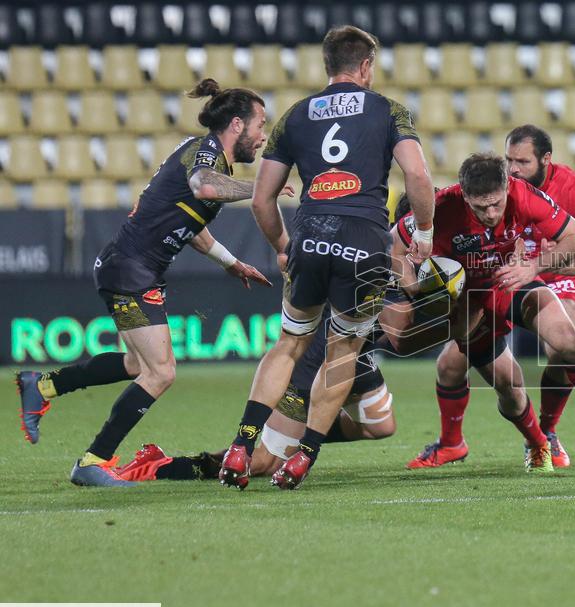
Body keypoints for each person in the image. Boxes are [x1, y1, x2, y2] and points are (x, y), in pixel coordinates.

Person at [14, 79, 278, 487]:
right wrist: (264, 187)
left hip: (134, 268)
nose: (263, 136)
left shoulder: (208, 160)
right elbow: (205, 188)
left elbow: (190, 225)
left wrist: (232, 262)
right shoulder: (205, 153)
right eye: (261, 124)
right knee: (160, 372)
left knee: (139, 365)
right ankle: (92, 460)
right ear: (238, 125)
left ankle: (43, 385)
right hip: (130, 269)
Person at [219, 26, 434, 491]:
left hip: (310, 236)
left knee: (289, 344)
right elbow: (417, 174)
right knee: (343, 351)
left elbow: (261, 199)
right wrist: (425, 234)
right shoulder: (388, 110)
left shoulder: (295, 116)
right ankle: (304, 457)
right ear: (365, 67)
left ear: (327, 65)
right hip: (365, 241)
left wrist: (281, 246)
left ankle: (241, 443)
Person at [408, 125, 575, 469]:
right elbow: (399, 245)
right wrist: (418, 286)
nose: (514, 169)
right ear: (466, 196)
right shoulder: (444, 206)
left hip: (530, 276)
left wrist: (537, 268)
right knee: (477, 378)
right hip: (478, 293)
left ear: (544, 160)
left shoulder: (551, 190)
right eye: (509, 160)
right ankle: (504, 443)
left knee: (566, 340)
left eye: (522, 161)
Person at [115, 317, 395, 482]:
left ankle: (301, 435)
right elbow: (403, 329)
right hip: (320, 358)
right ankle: (160, 466)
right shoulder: (398, 256)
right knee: (264, 462)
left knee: (380, 426)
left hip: (357, 355)